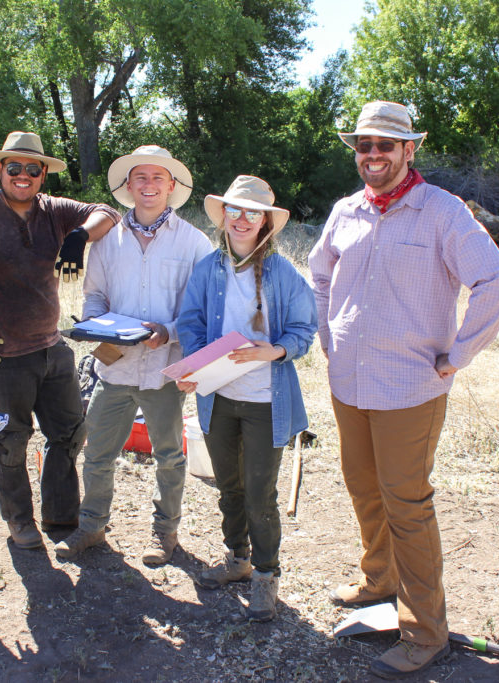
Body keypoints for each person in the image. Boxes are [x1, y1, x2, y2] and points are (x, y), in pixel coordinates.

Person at [308, 101, 499, 679]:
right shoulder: (346, 211)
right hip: (348, 381)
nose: (372, 155)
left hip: (409, 388)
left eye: (385, 145)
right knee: (364, 489)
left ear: (409, 150)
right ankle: (379, 582)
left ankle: (426, 632)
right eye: (363, 146)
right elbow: (319, 274)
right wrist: (330, 334)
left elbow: (496, 285)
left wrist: (459, 353)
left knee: (407, 504)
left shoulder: (443, 213)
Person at [0, 132, 121, 550]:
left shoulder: (54, 211)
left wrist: (80, 236)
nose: (22, 175)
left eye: (32, 169)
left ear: (43, 174)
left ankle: (61, 514)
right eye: (14, 168)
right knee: (11, 441)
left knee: (69, 432)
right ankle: (19, 521)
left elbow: (107, 211)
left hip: (51, 348)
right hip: (0, 356)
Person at [53, 146, 213, 565]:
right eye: (140, 178)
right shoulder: (107, 241)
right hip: (115, 367)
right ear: (127, 186)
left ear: (172, 186)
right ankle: (91, 528)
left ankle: (165, 535)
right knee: (98, 453)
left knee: (169, 456)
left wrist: (171, 332)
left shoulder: (194, 242)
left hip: (163, 370)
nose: (149, 185)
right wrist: (94, 326)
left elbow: (201, 310)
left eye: (157, 178)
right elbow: (95, 295)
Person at [176, 176, 317, 622]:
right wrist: (195, 368)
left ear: (265, 223)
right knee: (229, 487)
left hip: (265, 402)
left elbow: (303, 331)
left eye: (251, 212)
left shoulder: (283, 274)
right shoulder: (208, 268)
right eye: (234, 210)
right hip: (218, 397)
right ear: (223, 217)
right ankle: (237, 559)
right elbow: (190, 322)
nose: (241, 219)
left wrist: (271, 350)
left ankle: (265, 575)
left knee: (260, 493)